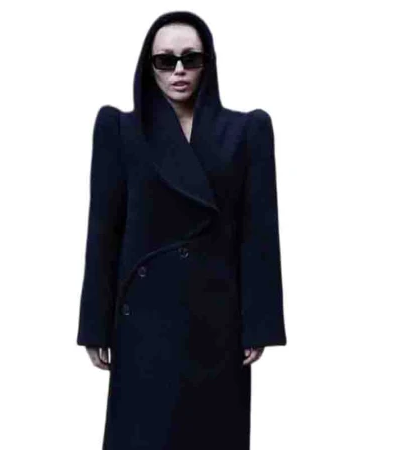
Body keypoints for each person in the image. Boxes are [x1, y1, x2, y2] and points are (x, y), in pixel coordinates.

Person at [76, 10, 287, 450]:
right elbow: (104, 230)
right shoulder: (119, 129)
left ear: (207, 63)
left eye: (191, 59)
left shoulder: (247, 130)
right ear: (148, 64)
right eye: (165, 60)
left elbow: (259, 232)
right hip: (143, 322)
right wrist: (94, 324)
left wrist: (259, 324)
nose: (178, 71)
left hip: (217, 321)